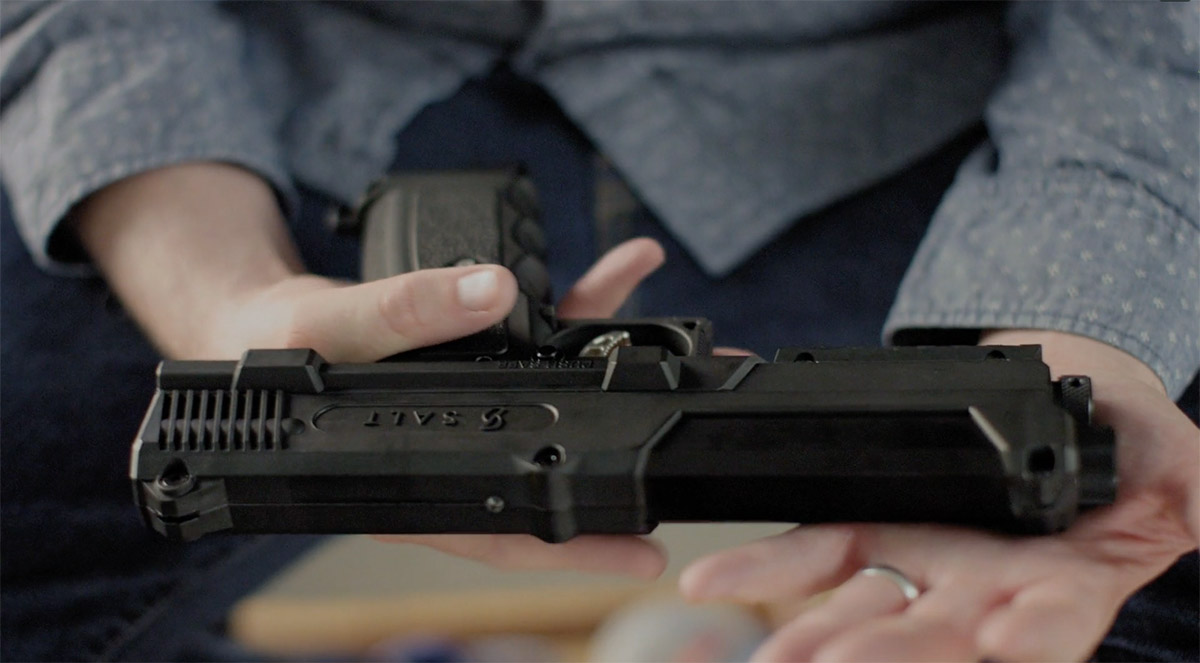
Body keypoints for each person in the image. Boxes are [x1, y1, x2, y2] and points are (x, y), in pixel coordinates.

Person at [1, 1, 1196, 661]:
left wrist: (1083, 341)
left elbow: (1151, 47)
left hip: (889, 109)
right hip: (299, 88)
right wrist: (222, 297)